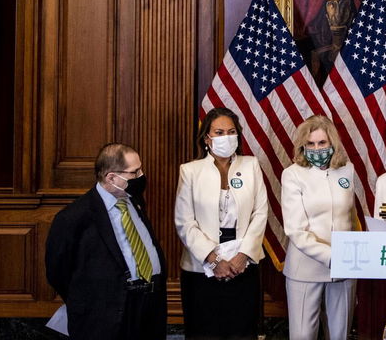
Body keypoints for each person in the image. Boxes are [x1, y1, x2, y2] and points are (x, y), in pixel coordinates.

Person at [45, 142, 167, 340]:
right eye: (134, 172)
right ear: (112, 177)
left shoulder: (134, 200)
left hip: (147, 306)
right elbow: (58, 272)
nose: (141, 176)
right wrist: (89, 300)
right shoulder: (73, 217)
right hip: (106, 315)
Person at [175, 108, 269, 340]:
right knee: (203, 333)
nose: (226, 137)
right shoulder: (190, 171)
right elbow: (184, 222)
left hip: (243, 266)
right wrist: (214, 260)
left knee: (242, 332)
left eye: (231, 132)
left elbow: (260, 213)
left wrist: (243, 256)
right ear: (207, 137)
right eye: (219, 132)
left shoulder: (251, 165)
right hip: (201, 270)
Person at [281, 115, 359, 340]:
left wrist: (351, 257)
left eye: (322, 143)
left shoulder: (347, 171)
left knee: (340, 334)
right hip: (305, 268)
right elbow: (296, 229)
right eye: (311, 144)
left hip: (345, 268)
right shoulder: (293, 174)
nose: (316, 149)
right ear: (302, 146)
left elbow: (351, 217)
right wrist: (332, 256)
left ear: (332, 143)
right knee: (303, 335)